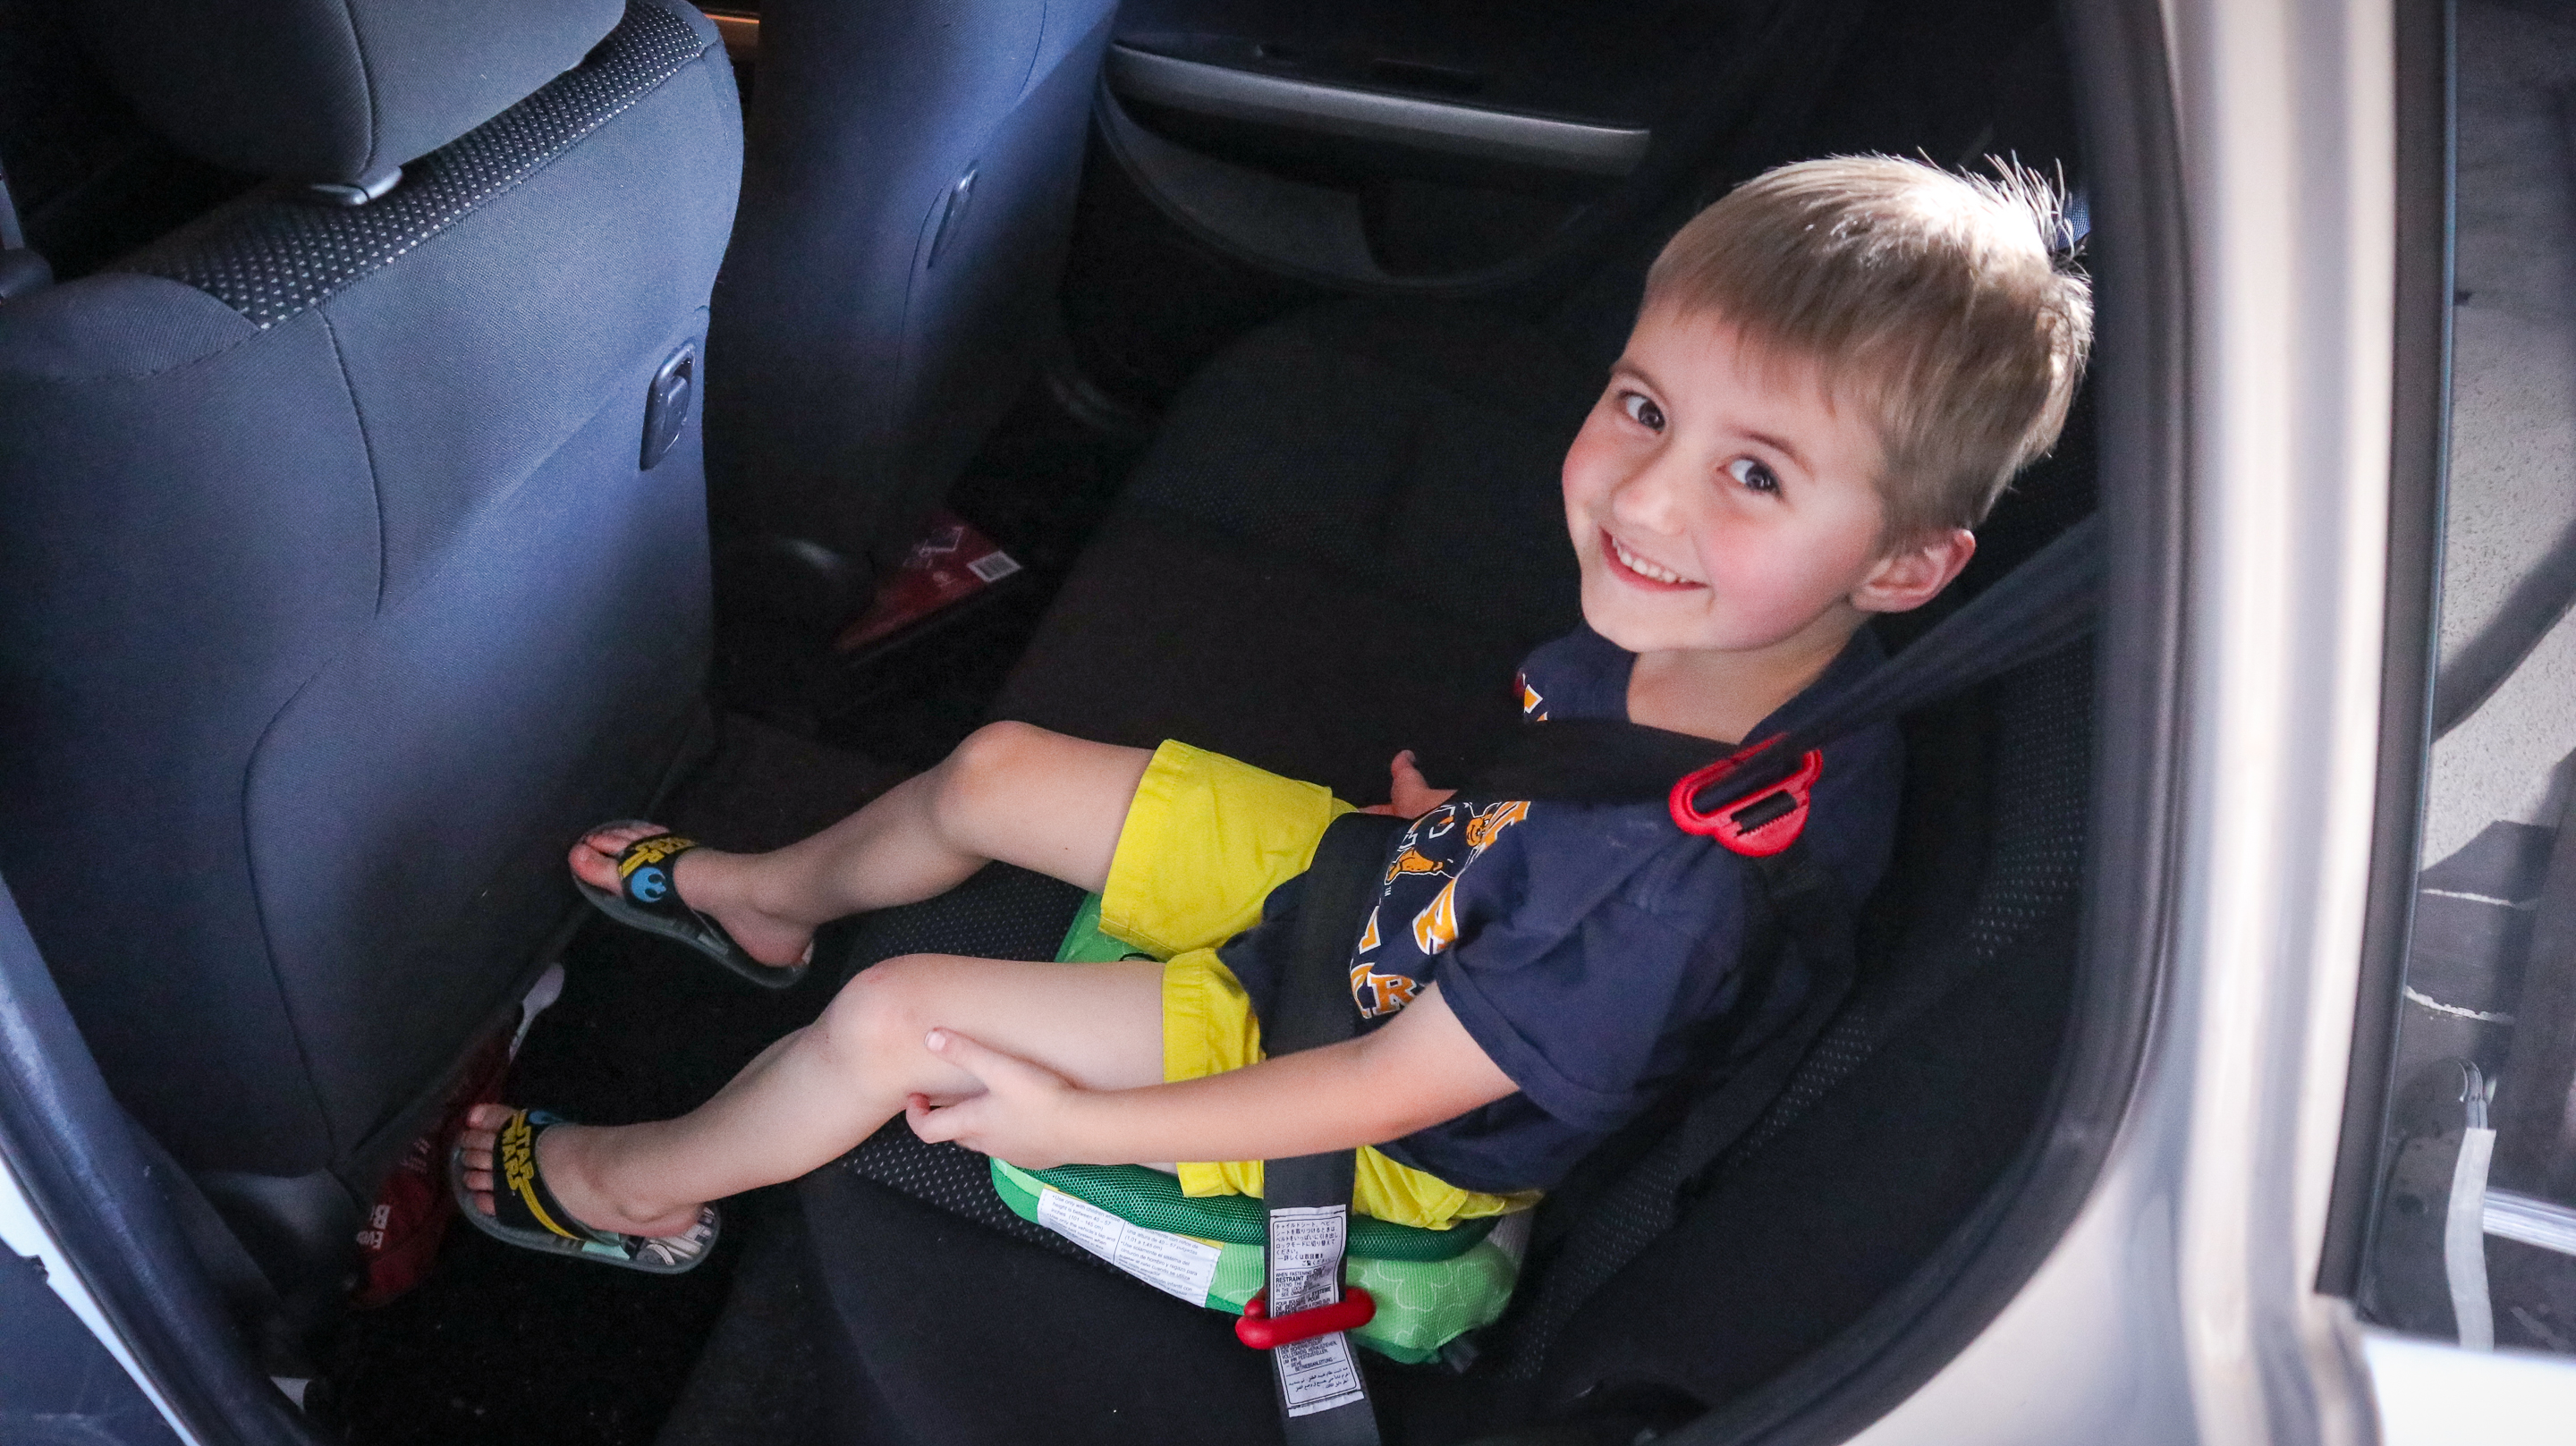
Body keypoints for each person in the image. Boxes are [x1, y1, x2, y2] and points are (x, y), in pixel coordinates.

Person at [453, 155, 2093, 1271]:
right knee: (994, 772)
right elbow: (1568, 797)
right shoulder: (1726, 635)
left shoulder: (1669, 890)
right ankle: (766, 902)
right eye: (1643, 407)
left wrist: (1087, 1121)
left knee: (898, 1030)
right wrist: (1462, 817)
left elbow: (1388, 1089)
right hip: (1423, 883)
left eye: (1754, 473)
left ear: (1906, 563)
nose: (1645, 500)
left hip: (1391, 1089)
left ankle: (625, 1195)